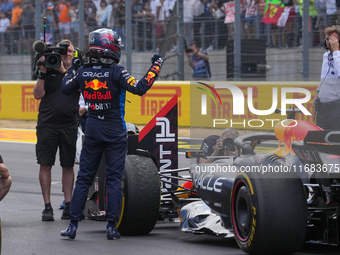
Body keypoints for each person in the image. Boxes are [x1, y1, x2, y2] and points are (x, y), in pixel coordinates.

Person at [60, 28, 164, 240]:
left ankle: (72, 226)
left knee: (84, 178)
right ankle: (111, 227)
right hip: (115, 130)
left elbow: (65, 88)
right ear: (110, 47)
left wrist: (73, 70)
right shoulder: (117, 71)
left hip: (93, 129)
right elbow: (141, 87)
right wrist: (156, 66)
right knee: (114, 179)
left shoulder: (84, 72)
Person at [33, 39, 80, 221]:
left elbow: (80, 86)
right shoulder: (49, 69)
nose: (67, 54)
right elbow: (37, 94)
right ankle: (47, 206)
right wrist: (43, 73)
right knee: (45, 164)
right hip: (47, 125)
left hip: (69, 125)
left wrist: (63, 71)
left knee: (68, 165)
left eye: (70, 52)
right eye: (64, 51)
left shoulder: (78, 71)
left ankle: (68, 204)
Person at [314, 25, 340, 130]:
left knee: (335, 140)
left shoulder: (337, 55)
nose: (329, 42)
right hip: (323, 107)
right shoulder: (326, 56)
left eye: (333, 40)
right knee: (319, 138)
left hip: (336, 107)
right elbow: (324, 76)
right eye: (328, 39)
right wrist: (318, 92)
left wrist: (336, 51)